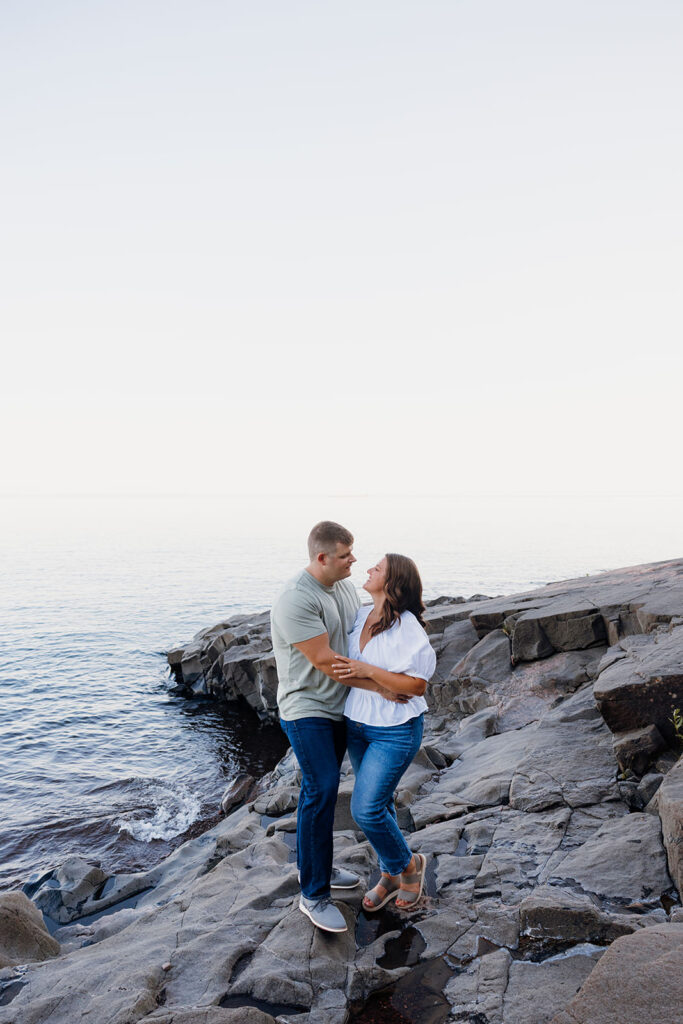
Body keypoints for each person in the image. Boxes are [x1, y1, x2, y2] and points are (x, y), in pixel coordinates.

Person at [270, 522, 404, 934]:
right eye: (346, 555)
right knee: (322, 788)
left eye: (354, 553)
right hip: (306, 707)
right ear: (322, 557)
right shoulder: (296, 599)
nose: (354, 561)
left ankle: (323, 871)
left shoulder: (345, 587)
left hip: (343, 705)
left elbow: (367, 630)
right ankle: (312, 894)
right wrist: (382, 686)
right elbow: (327, 661)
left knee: (347, 790)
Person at [332, 553, 436, 912]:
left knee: (365, 809)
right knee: (382, 804)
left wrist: (367, 670)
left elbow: (417, 685)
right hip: (358, 724)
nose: (368, 569)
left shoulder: (407, 627)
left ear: (393, 584)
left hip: (396, 730)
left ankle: (408, 866)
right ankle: (392, 875)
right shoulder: (360, 615)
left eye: (377, 568)